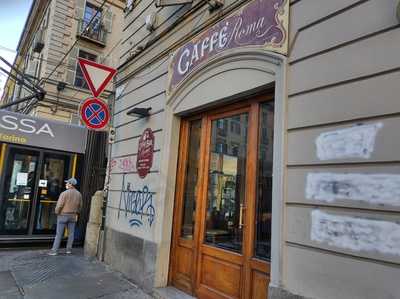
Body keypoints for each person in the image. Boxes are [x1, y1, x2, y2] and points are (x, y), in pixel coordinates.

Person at [48, 178, 82, 256]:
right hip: (73, 215)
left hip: (63, 215)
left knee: (59, 234)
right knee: (71, 234)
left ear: (71, 184)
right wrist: (76, 212)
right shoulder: (79, 194)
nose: (66, 184)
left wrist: (57, 212)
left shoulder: (64, 193)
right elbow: (80, 206)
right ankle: (68, 250)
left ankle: (54, 251)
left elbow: (59, 205)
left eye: (67, 183)